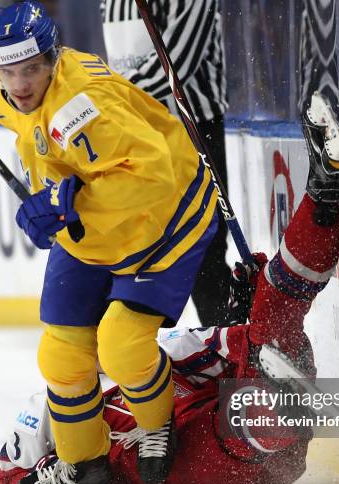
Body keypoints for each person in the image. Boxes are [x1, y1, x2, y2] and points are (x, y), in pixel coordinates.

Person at [0, 1, 220, 484]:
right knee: (61, 352)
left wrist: (63, 199)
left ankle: (160, 424)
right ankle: (84, 464)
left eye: (31, 69)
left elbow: (153, 175)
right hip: (90, 227)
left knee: (122, 345)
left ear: (53, 61)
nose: (21, 83)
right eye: (7, 70)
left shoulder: (83, 106)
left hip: (166, 217)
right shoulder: (15, 87)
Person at [0, 92, 339, 484]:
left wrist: (251, 330)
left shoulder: (147, 360)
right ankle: (281, 410)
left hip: (265, 420)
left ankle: (323, 196)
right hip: (231, 454)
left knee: (272, 303)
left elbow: (223, 344)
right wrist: (45, 471)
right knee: (195, 458)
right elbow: (6, 481)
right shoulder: (91, 452)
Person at [100, 0, 231, 326]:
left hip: (192, 126)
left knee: (204, 252)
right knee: (131, 250)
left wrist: (113, 95)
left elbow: (178, 63)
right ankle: (130, 361)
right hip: (134, 131)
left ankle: (230, 349)